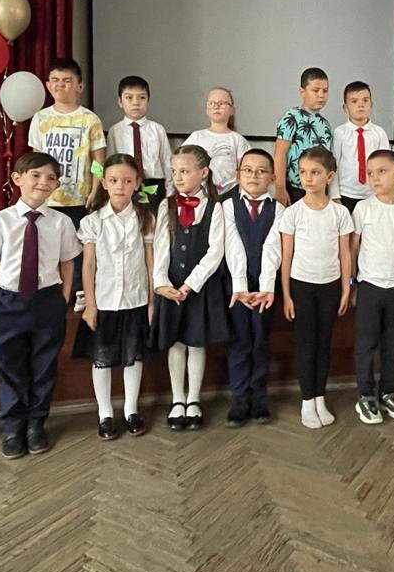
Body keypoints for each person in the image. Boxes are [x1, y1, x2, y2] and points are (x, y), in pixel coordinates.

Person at [0, 152, 82, 458]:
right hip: (7, 302)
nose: (43, 182)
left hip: (47, 300)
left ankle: (36, 424)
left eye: (50, 178)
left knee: (44, 365)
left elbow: (67, 262)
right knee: (9, 366)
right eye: (35, 175)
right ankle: (13, 427)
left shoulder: (61, 222)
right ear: (17, 179)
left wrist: (63, 297)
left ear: (57, 185)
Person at [73, 154, 157, 440]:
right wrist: (91, 305)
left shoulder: (145, 218)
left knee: (134, 356)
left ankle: (131, 410)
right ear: (105, 183)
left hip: (135, 299)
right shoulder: (93, 221)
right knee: (103, 358)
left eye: (127, 180)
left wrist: (151, 301)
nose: (120, 186)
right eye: (114, 180)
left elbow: (150, 261)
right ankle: (105, 413)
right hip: (104, 301)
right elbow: (88, 265)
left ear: (137, 183)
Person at [151, 145, 229, 431]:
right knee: (176, 343)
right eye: (174, 171)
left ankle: (194, 399)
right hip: (171, 286)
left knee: (196, 342)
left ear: (203, 172)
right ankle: (177, 399)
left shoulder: (215, 207)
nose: (178, 177)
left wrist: (190, 284)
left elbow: (215, 252)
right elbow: (161, 246)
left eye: (184, 171)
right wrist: (161, 283)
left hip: (199, 288)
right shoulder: (166, 205)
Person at [279, 146, 353, 429]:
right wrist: (287, 295)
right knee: (307, 346)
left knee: (324, 345)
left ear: (329, 176)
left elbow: (345, 254)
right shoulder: (293, 213)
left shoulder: (340, 213)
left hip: (330, 287)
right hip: (302, 287)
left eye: (315, 172)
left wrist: (346, 288)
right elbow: (286, 257)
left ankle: (320, 397)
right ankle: (307, 400)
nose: (308, 178)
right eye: (303, 172)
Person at [28, 58, 106, 311]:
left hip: (78, 198)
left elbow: (98, 161)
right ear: (48, 85)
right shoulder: (40, 118)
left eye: (67, 81)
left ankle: (79, 291)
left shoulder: (90, 120)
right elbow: (35, 159)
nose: (60, 85)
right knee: (45, 245)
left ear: (79, 86)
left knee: (77, 247)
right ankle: (48, 289)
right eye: (55, 80)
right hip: (47, 197)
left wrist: (95, 189)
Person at [351, 150, 394, 424]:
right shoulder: (363, 208)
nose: (375, 178)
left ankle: (388, 391)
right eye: (370, 173)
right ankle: (366, 394)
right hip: (369, 286)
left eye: (382, 171)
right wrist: (352, 283)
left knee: (393, 344)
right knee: (366, 344)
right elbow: (353, 248)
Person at [223, 149, 284, 426]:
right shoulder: (227, 207)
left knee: (260, 340)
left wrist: (265, 286)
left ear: (272, 177)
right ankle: (239, 398)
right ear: (238, 175)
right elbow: (232, 245)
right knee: (239, 341)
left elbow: (273, 247)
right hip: (235, 288)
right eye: (247, 170)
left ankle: (259, 396)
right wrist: (240, 286)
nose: (254, 176)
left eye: (261, 171)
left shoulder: (279, 210)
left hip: (265, 290)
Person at [106, 75, 173, 207]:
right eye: (129, 98)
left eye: (142, 97)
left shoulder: (158, 129)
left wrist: (170, 193)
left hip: (154, 184)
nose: (136, 103)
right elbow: (110, 162)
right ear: (120, 102)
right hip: (125, 184)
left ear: (148, 100)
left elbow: (167, 162)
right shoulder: (115, 131)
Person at [274, 68, 333, 206]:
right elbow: (280, 153)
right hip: (295, 189)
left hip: (320, 190)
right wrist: (280, 188)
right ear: (302, 91)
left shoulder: (326, 125)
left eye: (325, 91)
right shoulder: (292, 117)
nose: (321, 95)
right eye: (315, 90)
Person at [331, 81, 391, 215]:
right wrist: (334, 195)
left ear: (371, 104)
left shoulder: (379, 133)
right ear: (345, 107)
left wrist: (385, 192)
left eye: (365, 100)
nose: (361, 104)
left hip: (373, 194)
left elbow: (386, 166)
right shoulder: (339, 133)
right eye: (354, 101)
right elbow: (334, 165)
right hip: (346, 194)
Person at [182, 87, 251, 199]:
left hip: (230, 193)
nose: (216, 106)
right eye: (212, 103)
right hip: (199, 192)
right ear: (206, 109)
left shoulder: (237, 139)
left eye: (222, 103)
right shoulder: (196, 137)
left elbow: (245, 171)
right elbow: (182, 163)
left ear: (232, 110)